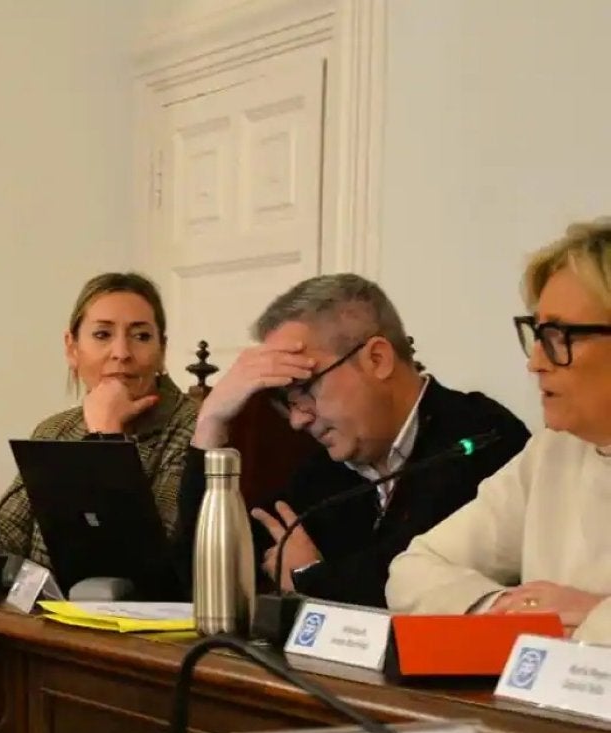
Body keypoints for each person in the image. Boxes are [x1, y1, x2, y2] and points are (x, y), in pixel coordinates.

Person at [178, 273, 529, 608]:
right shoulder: (327, 468)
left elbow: (409, 581)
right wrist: (211, 424)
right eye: (287, 402)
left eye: (305, 390)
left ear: (377, 359)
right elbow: (200, 576)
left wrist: (311, 579)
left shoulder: (480, 438)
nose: (299, 419)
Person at [387, 220, 611, 641]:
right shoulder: (552, 453)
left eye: (558, 336)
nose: (535, 363)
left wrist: (595, 616)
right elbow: (414, 569)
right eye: (537, 334)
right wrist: (508, 611)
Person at [0, 271, 198, 573]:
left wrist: (106, 436)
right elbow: (4, 540)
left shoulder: (193, 425)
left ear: (162, 351)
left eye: (141, 336)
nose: (121, 353)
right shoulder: (55, 429)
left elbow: (140, 560)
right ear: (72, 347)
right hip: (39, 616)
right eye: (103, 335)